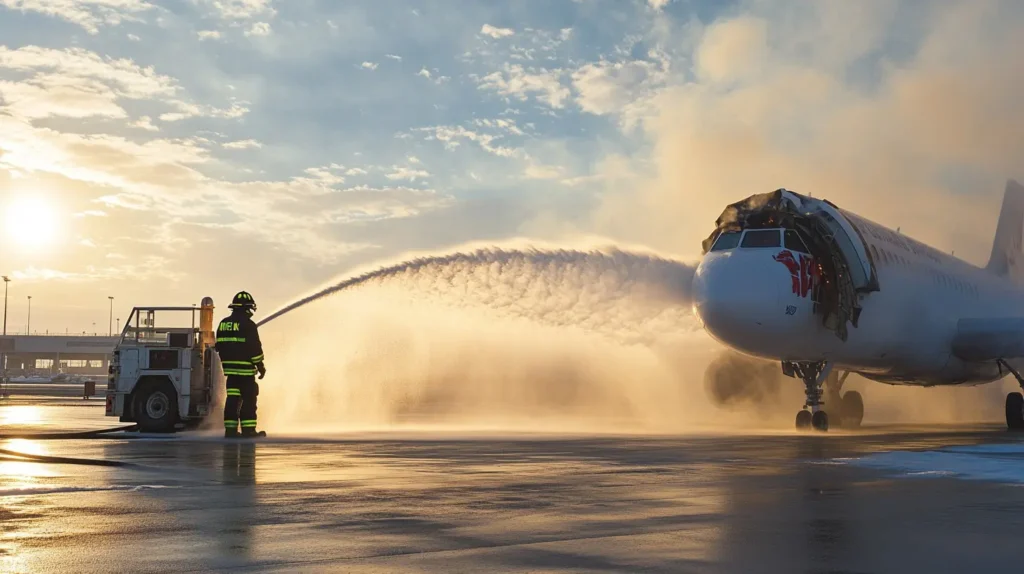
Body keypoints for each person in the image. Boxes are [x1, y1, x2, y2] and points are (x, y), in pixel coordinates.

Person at [215, 291, 267, 438]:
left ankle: (230, 431)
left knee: (232, 400)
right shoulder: (249, 325)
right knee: (249, 400)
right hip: (245, 372)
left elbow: (219, 346)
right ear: (246, 308)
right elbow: (254, 348)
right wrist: (260, 366)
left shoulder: (223, 324)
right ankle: (248, 430)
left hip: (230, 372)